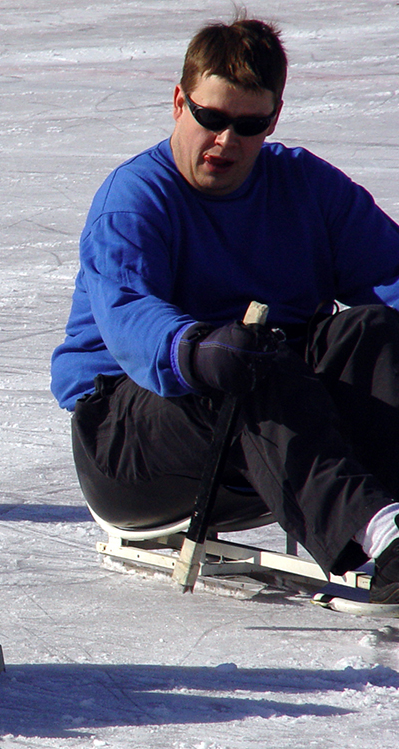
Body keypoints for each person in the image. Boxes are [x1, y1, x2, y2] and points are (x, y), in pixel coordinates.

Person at [50, 17, 399, 603]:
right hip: (129, 439)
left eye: (248, 125)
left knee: (369, 332)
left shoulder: (303, 186)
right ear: (180, 102)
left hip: (265, 437)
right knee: (250, 362)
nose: (226, 141)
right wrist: (195, 348)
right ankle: (377, 535)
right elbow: (128, 312)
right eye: (211, 118)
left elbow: (390, 272)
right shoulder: (134, 199)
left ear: (274, 118)